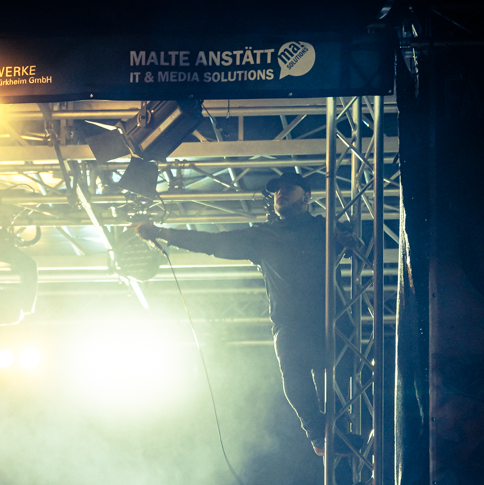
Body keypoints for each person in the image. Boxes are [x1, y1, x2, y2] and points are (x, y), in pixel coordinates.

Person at [134, 172, 365, 456]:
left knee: (337, 379)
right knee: (295, 376)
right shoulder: (262, 236)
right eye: (276, 190)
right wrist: (162, 233)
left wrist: (349, 241)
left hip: (330, 320)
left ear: (307, 197)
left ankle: (336, 437)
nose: (280, 192)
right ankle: (319, 435)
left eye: (288, 188)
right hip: (290, 323)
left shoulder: (325, 228)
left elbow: (360, 245)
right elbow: (212, 243)